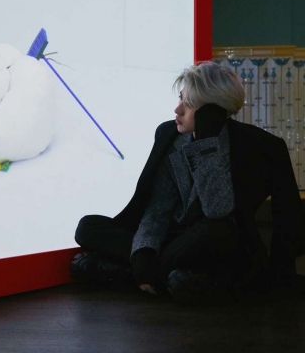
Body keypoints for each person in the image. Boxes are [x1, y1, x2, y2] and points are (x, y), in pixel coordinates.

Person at [70, 61, 305, 302]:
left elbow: (217, 210)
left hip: (216, 243)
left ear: (211, 111)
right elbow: (158, 208)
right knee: (88, 227)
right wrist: (143, 253)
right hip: (174, 241)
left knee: (215, 230)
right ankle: (163, 275)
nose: (177, 110)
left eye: (188, 104)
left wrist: (205, 144)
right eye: (180, 98)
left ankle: (140, 275)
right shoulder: (169, 135)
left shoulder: (256, 145)